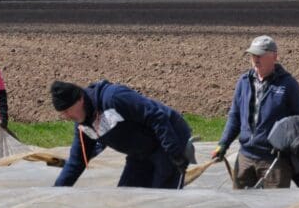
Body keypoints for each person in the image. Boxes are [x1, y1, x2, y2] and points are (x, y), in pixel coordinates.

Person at [51, 80, 194, 188]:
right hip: (140, 153)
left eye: (68, 110)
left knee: (161, 200)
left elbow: (156, 116)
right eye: (62, 113)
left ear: (80, 98)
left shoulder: (113, 97)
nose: (67, 116)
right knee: (125, 198)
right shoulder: (84, 126)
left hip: (169, 140)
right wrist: (55, 194)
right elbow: (77, 162)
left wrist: (175, 154)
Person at [211, 35, 299, 188]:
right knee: (241, 206)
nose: (255, 59)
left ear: (274, 56)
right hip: (245, 158)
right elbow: (235, 116)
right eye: (252, 55)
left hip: (274, 162)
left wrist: (283, 138)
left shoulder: (288, 84)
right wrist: (223, 144)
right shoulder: (244, 82)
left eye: (260, 55)